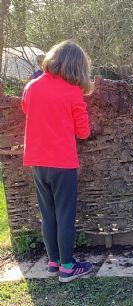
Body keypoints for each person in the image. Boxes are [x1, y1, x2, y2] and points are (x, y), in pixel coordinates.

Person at [22, 41, 94, 283]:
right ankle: (67, 267)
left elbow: (26, 108)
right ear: (78, 67)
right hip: (62, 163)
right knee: (65, 215)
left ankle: (53, 263)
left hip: (37, 161)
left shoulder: (32, 86)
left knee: (48, 214)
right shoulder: (72, 92)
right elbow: (83, 132)